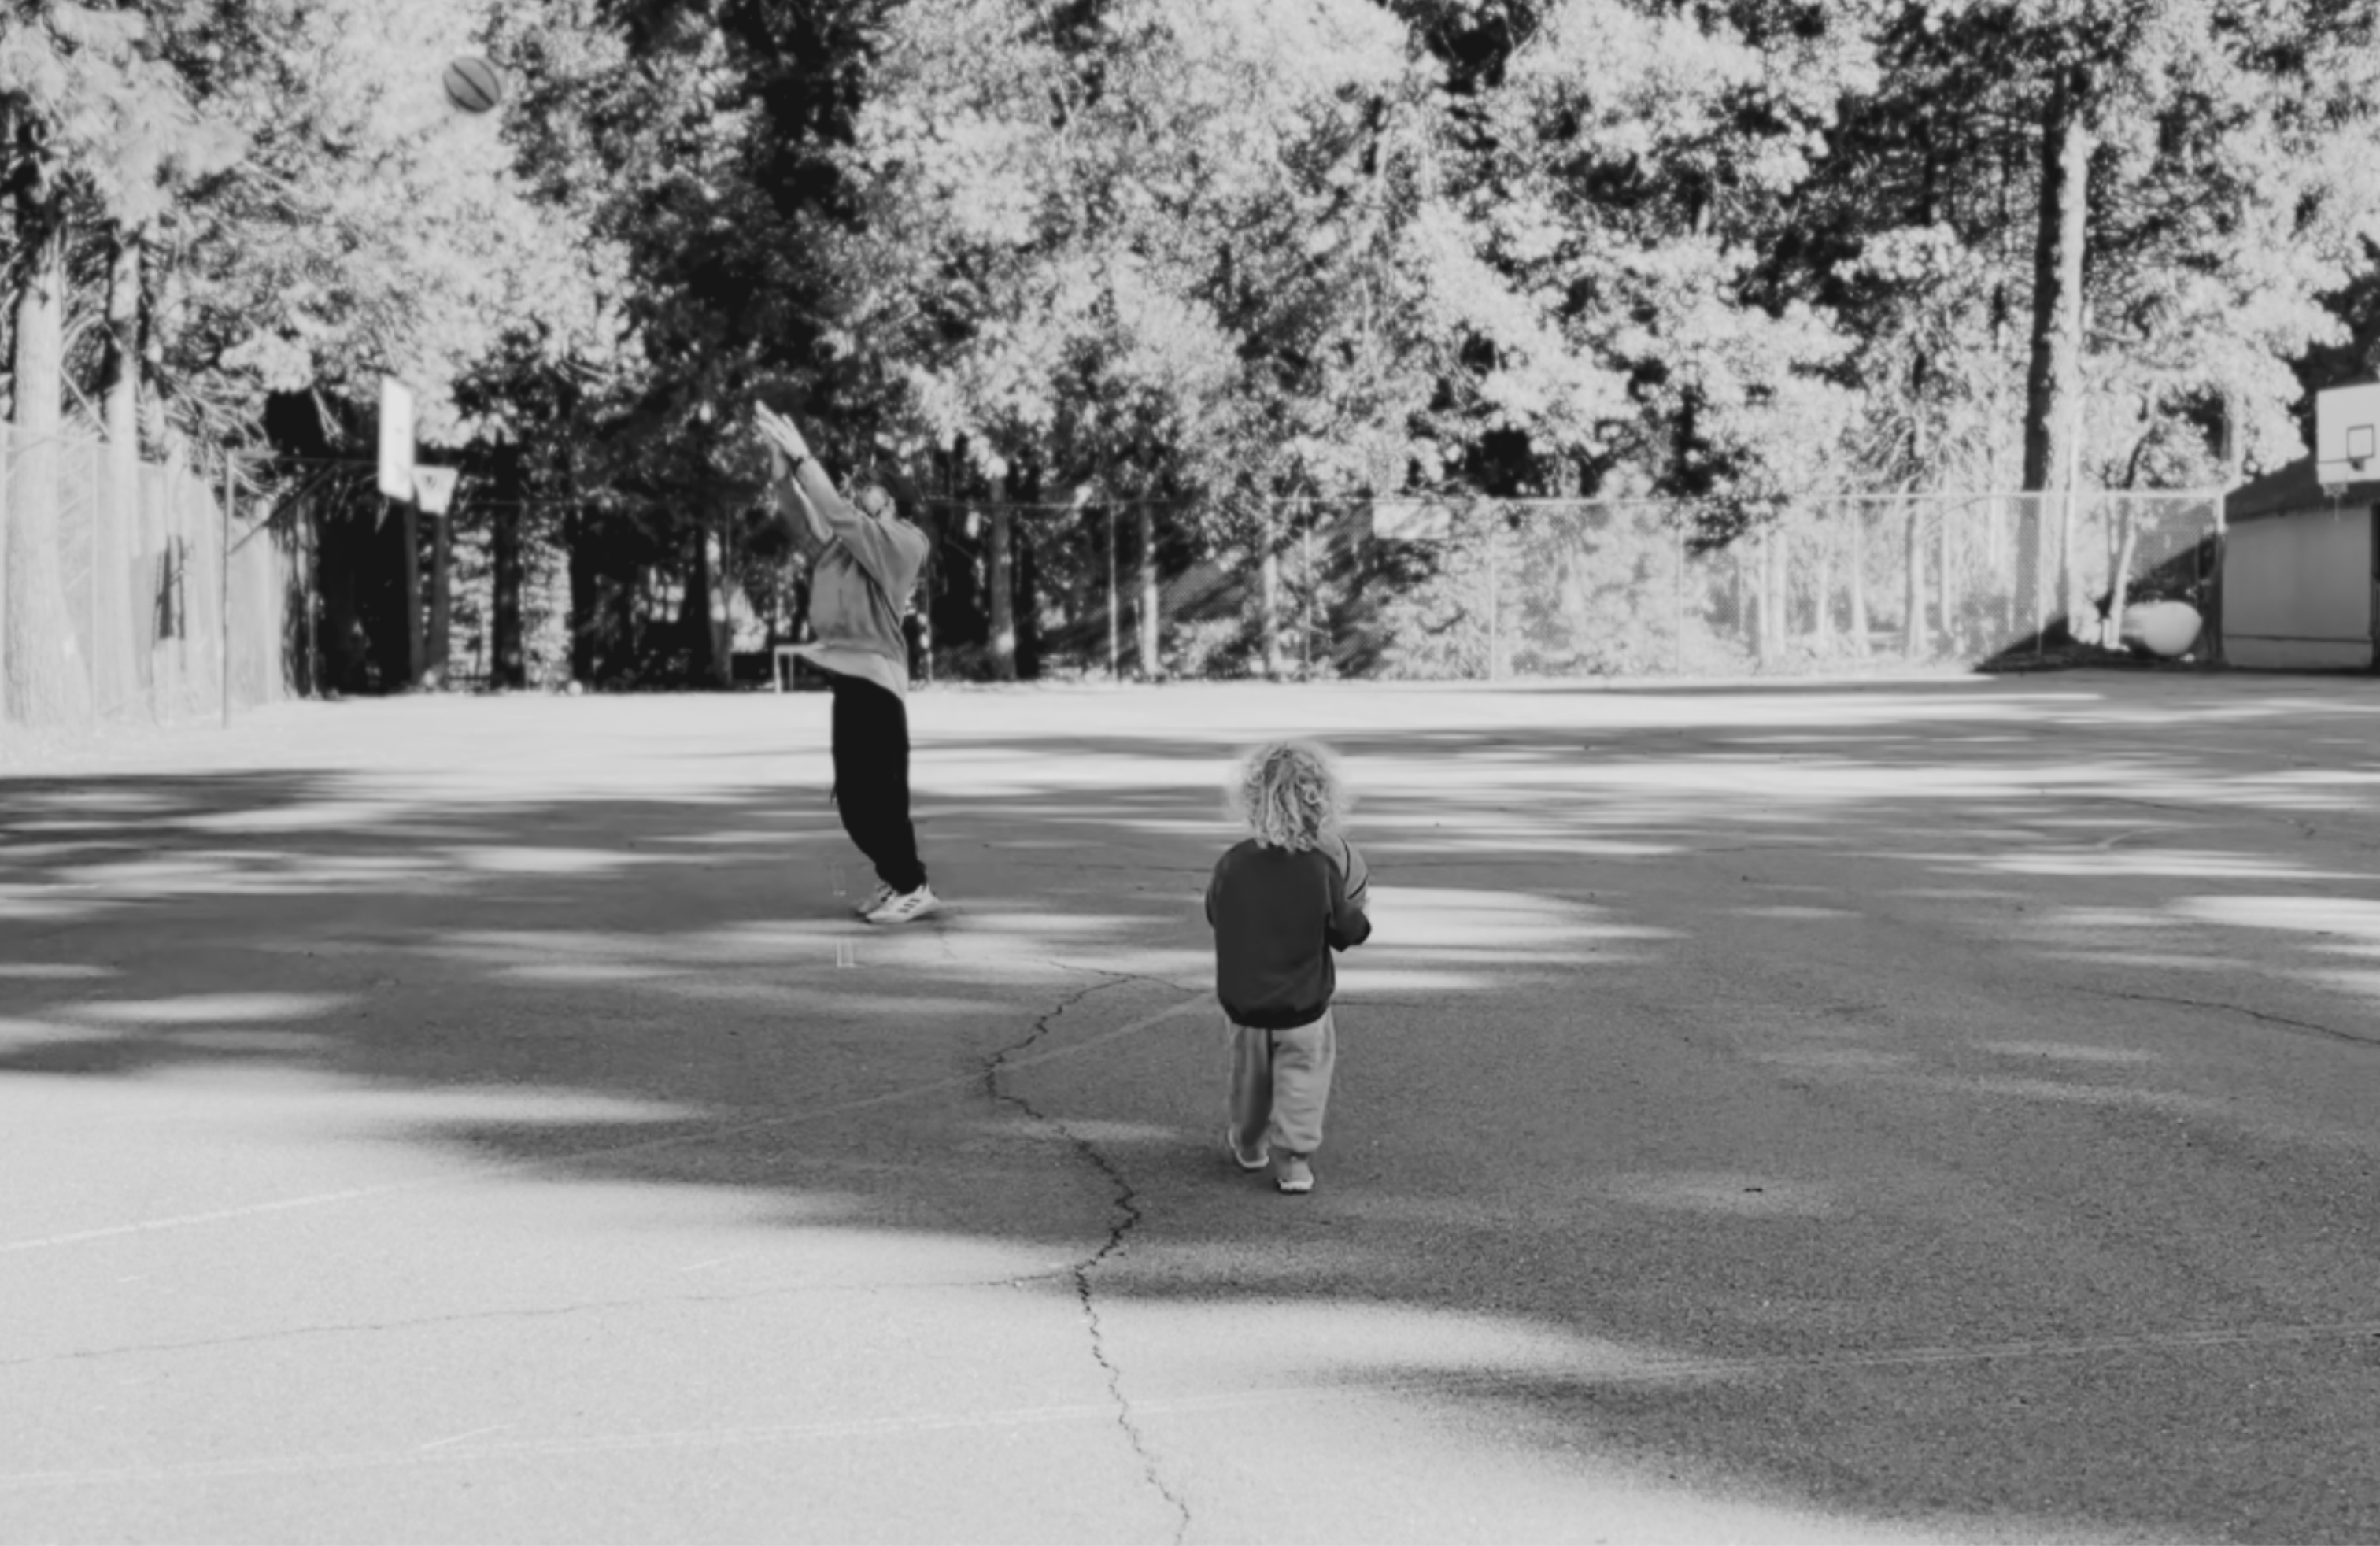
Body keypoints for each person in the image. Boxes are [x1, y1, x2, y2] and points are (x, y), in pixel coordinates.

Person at [754, 404, 939, 924]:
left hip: (877, 676)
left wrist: (805, 457)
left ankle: (912, 884)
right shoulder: (846, 542)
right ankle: (897, 876)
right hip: (850, 676)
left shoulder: (904, 542)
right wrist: (779, 459)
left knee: (876, 797)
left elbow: (835, 512)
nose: (861, 487)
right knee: (855, 802)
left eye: (872, 484)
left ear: (895, 498)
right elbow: (796, 510)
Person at [1204, 739, 1372, 1194]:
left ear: (1253, 802)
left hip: (1246, 1003)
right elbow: (1346, 931)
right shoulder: (1323, 868)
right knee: (1302, 1080)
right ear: (1323, 805)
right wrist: (1360, 914)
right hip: (1303, 1006)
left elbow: (1214, 913)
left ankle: (1250, 1144)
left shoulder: (1233, 863)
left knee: (1249, 1079)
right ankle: (1295, 1162)